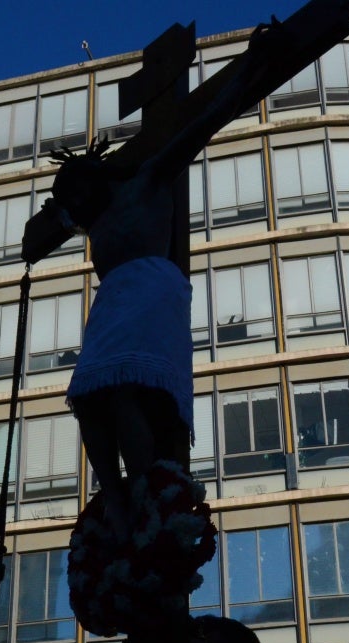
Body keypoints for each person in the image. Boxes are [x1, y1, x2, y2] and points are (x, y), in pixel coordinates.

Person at [39, 23, 291, 542]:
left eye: (74, 190)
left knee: (126, 393)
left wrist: (253, 63)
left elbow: (208, 119)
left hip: (152, 294)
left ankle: (144, 489)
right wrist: (53, 218)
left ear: (95, 176)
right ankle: (115, 495)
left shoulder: (146, 180)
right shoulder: (95, 218)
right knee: (88, 398)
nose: (73, 203)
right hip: (111, 309)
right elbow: (50, 223)